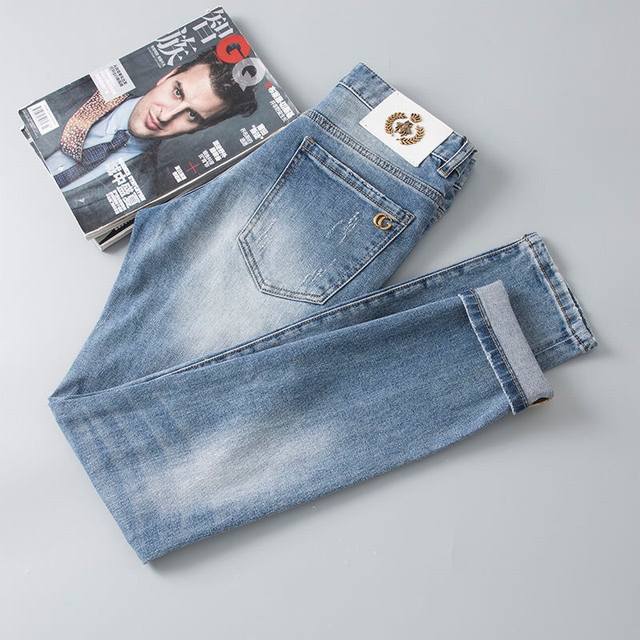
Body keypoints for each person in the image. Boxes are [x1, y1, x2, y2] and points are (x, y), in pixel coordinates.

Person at [41, 48, 258, 233]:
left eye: (192, 115)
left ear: (201, 128)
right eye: (177, 92)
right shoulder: (80, 86)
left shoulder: (145, 194)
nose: (165, 115)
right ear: (168, 76)